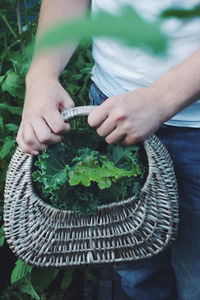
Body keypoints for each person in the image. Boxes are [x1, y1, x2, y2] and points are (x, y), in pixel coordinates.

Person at [16, 0, 200, 299]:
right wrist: (41, 77)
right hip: (109, 110)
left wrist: (160, 99)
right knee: (135, 269)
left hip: (195, 128)